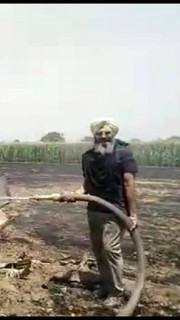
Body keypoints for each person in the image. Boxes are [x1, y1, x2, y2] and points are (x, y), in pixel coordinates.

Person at [61, 118, 139, 307]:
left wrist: (133, 214)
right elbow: (87, 184)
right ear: (94, 136)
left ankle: (116, 292)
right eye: (99, 133)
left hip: (115, 210)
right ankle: (106, 285)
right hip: (94, 210)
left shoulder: (123, 155)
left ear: (113, 135)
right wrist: (76, 195)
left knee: (110, 250)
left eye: (107, 133)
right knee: (99, 251)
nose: (103, 137)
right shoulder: (88, 157)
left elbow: (129, 185)